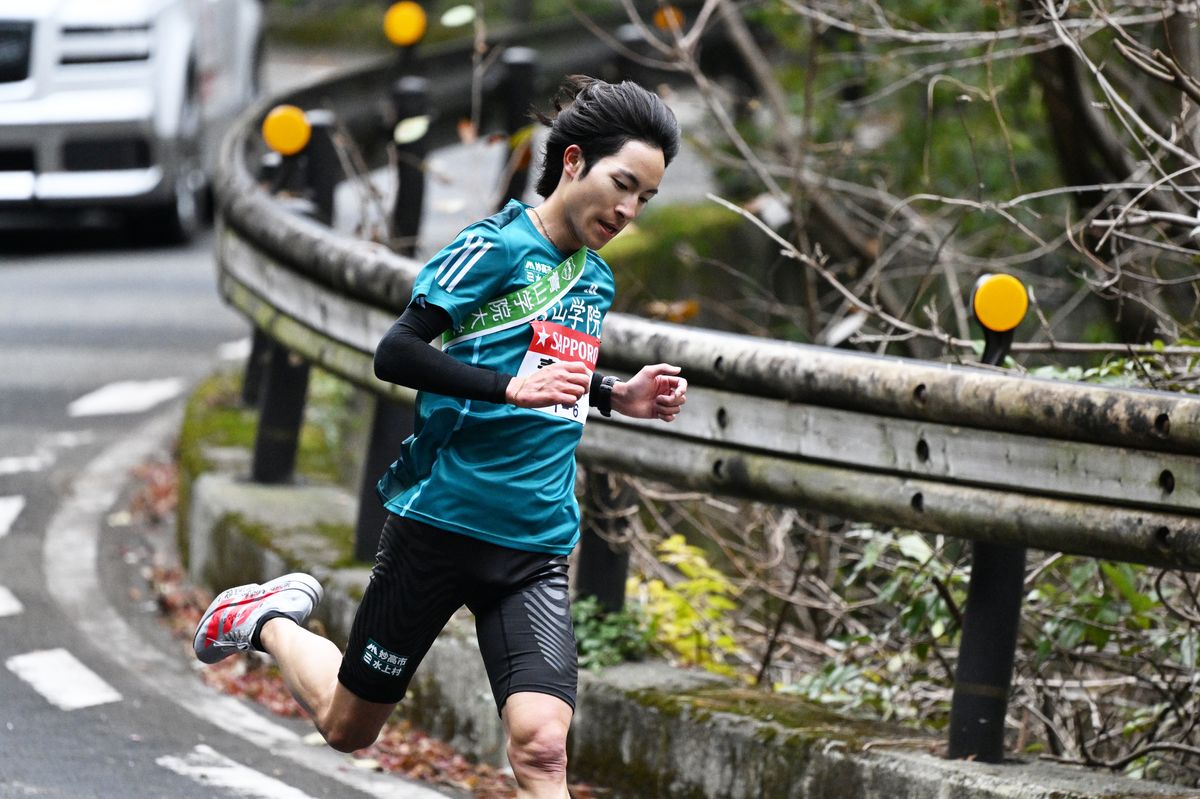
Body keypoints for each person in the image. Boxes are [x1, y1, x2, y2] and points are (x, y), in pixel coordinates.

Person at [193, 75, 686, 799]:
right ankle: (266, 618)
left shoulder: (594, 280)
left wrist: (618, 394)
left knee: (544, 748)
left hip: (534, 544)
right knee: (348, 725)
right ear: (574, 162)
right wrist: (506, 388)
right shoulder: (492, 246)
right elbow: (398, 351)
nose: (629, 209)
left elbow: (548, 372)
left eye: (646, 198)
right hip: (438, 526)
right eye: (623, 184)